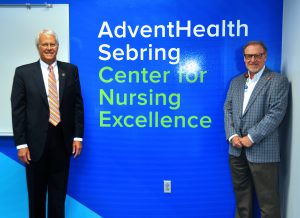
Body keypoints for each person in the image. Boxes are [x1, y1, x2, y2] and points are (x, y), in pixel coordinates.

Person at [11, 29, 84, 218]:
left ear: (57, 46)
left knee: (58, 197)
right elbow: (17, 111)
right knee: (36, 197)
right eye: (45, 44)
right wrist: (21, 144)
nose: (49, 48)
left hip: (62, 142)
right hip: (34, 146)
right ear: (38, 47)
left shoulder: (71, 71)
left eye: (52, 44)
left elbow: (77, 105)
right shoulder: (23, 73)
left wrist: (77, 136)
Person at [224, 41, 289, 218]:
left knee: (268, 205)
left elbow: (275, 114)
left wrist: (251, 137)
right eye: (248, 56)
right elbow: (228, 109)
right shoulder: (236, 82)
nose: (253, 59)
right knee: (242, 203)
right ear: (244, 58)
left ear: (265, 56)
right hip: (236, 151)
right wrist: (233, 136)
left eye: (257, 55)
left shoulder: (277, 80)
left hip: (264, 152)